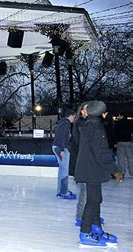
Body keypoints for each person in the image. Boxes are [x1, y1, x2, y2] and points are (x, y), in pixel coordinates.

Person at [75, 100, 123, 247]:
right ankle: (85, 233)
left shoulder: (87, 125)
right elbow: (102, 153)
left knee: (96, 200)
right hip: (92, 169)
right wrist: (115, 170)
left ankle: (96, 228)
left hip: (89, 168)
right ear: (101, 114)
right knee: (93, 201)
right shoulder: (95, 128)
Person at [52, 109, 77, 199]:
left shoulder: (61, 122)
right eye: (74, 116)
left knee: (62, 169)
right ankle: (63, 192)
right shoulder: (66, 123)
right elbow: (62, 137)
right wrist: (62, 149)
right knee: (64, 170)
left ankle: (62, 190)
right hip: (60, 148)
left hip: (57, 147)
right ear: (71, 115)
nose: (75, 118)